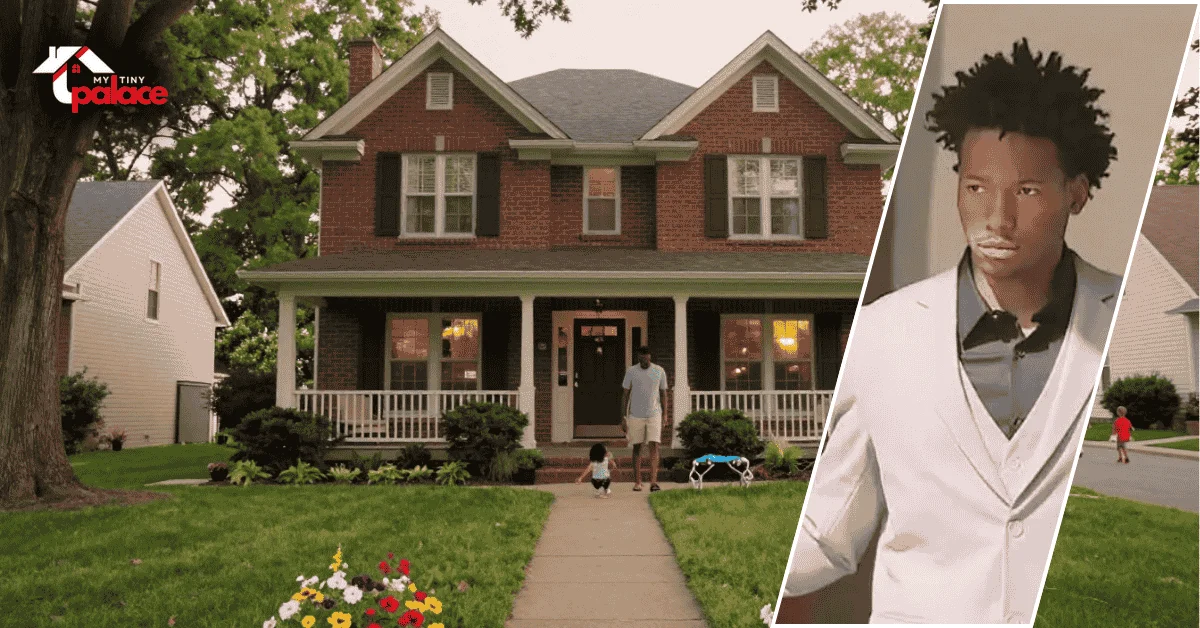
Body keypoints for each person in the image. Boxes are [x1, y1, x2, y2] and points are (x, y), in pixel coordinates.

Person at [783, 40, 1122, 624]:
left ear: (1078, 191)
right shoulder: (882, 334)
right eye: (977, 188)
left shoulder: (1120, 312)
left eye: (1027, 190)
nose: (997, 217)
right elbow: (830, 533)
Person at [621, 346, 669, 492]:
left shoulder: (659, 371)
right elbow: (625, 395)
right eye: (641, 359)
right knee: (637, 448)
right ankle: (638, 482)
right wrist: (624, 417)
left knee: (654, 447)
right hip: (635, 415)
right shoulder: (631, 371)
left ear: (650, 357)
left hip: (654, 414)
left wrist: (665, 414)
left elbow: (663, 394)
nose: (643, 362)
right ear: (638, 358)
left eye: (646, 359)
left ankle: (653, 482)